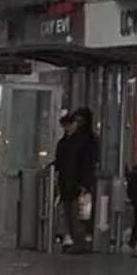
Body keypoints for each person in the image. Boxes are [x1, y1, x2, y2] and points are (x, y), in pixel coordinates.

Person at [53, 107, 98, 254]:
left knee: (77, 214)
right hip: (67, 183)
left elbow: (86, 164)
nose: (66, 128)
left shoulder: (84, 142)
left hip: (76, 184)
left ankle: (80, 242)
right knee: (69, 214)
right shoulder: (64, 143)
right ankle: (75, 241)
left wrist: (85, 183)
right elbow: (59, 162)